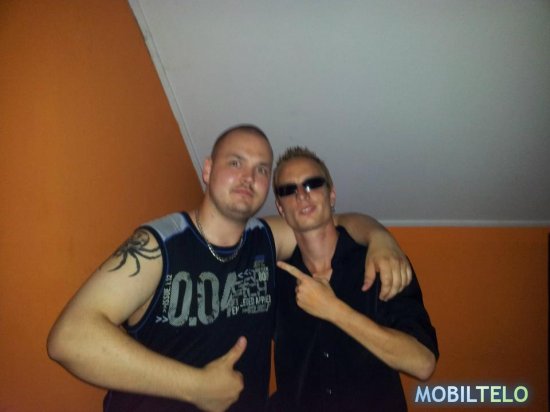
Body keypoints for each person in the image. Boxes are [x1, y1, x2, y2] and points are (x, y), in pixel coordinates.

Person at [47, 125, 412, 412]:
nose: (248, 177)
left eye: (261, 169)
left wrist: (381, 238)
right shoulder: (159, 244)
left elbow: (331, 219)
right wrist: (196, 386)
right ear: (207, 170)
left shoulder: (266, 239)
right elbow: (70, 339)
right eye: (235, 162)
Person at [270, 146, 439, 412]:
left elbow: (422, 363)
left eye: (312, 183)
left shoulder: (383, 264)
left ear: (331, 195)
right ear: (281, 208)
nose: (302, 194)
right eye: (289, 190)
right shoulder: (273, 280)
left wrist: (334, 310)